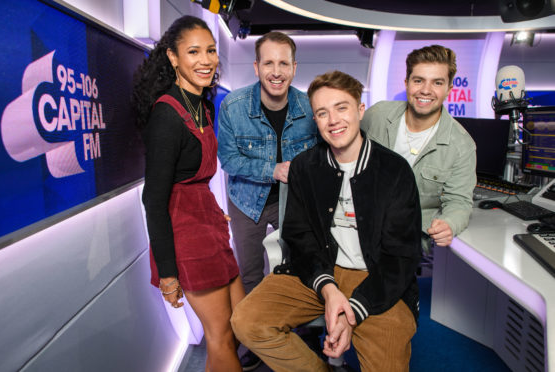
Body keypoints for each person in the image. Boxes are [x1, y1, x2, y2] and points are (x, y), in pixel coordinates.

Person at [230, 70, 422, 372]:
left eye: (341, 107)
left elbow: (401, 257)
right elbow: (298, 236)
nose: (333, 120)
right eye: (322, 112)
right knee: (246, 321)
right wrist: (328, 288)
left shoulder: (394, 171)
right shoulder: (306, 166)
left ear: (360, 110)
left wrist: (352, 312)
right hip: (318, 270)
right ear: (315, 121)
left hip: (377, 278)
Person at [132, 15, 244, 372]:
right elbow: (154, 199)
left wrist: (212, 210)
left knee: (239, 326)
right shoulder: (166, 114)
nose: (206, 60)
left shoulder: (203, 104)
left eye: (210, 51)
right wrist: (168, 274)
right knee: (221, 336)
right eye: (193, 51)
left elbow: (194, 177)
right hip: (186, 236)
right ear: (173, 57)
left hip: (208, 224)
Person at [217, 30, 318, 371]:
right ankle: (253, 339)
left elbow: (322, 155)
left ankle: (301, 332)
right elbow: (229, 161)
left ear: (294, 67)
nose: (276, 71)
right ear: (257, 66)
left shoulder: (309, 106)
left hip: (297, 202)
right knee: (250, 273)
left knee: (301, 268)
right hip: (247, 201)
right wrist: (272, 169)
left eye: (284, 63)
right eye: (269, 63)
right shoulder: (233, 106)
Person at [361, 45, 476, 249]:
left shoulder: (461, 145)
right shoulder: (377, 115)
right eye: (418, 80)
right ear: (406, 83)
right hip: (359, 229)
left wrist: (449, 224)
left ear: (449, 89)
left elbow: (459, 202)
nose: (425, 90)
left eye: (437, 82)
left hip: (407, 242)